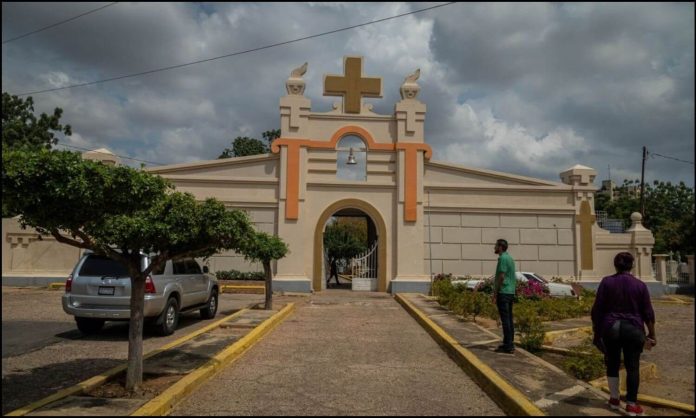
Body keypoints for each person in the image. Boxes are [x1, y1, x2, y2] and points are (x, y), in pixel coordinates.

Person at [591, 252, 656, 416]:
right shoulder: (640, 285)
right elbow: (648, 313)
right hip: (633, 328)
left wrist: (597, 332)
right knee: (632, 366)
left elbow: (597, 310)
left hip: (611, 327)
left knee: (612, 362)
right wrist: (652, 334)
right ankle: (632, 404)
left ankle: (614, 399)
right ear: (632, 265)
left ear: (615, 265)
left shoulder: (606, 282)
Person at [492, 239, 516, 354]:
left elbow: (501, 277)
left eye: (496, 246)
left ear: (500, 247)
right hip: (510, 292)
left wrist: (495, 293)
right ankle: (509, 343)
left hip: (503, 292)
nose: (494, 248)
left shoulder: (502, 258)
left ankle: (508, 345)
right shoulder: (510, 258)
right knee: (509, 320)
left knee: (505, 320)